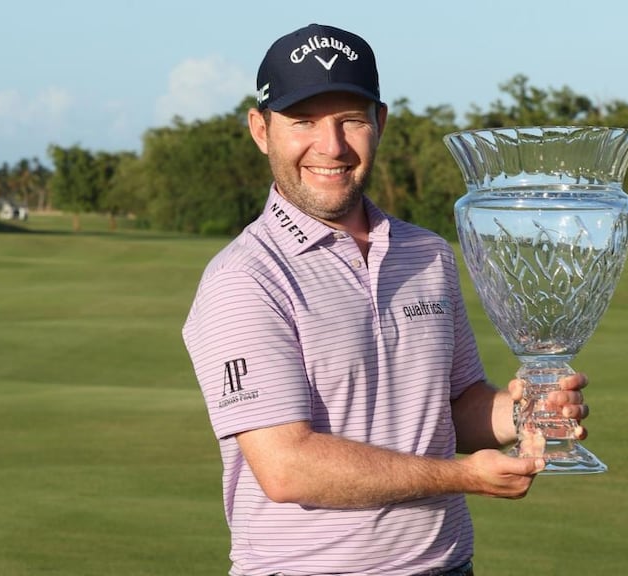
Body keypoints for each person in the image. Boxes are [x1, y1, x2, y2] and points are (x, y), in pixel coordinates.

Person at [182, 23, 591, 576]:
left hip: (448, 566)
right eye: (303, 121)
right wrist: (465, 477)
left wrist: (525, 411)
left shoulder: (427, 254)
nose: (331, 146)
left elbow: (452, 409)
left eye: (350, 119)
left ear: (380, 122)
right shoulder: (245, 278)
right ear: (261, 129)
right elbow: (287, 467)